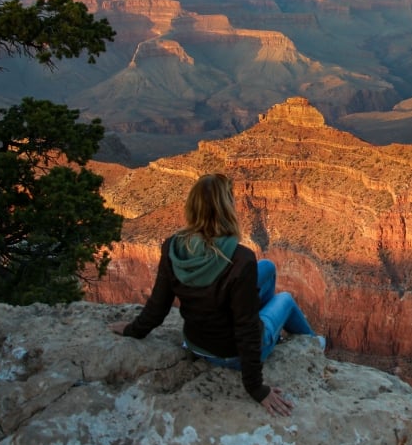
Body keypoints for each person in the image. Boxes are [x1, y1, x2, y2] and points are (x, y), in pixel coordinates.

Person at [109, 173, 322, 417]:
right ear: (227, 209)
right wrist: (256, 388)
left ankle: (256, 308)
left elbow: (158, 306)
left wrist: (133, 330)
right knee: (284, 300)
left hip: (196, 342)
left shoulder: (173, 247)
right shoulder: (240, 259)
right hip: (230, 355)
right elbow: (246, 329)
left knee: (269, 268)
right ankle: (315, 345)